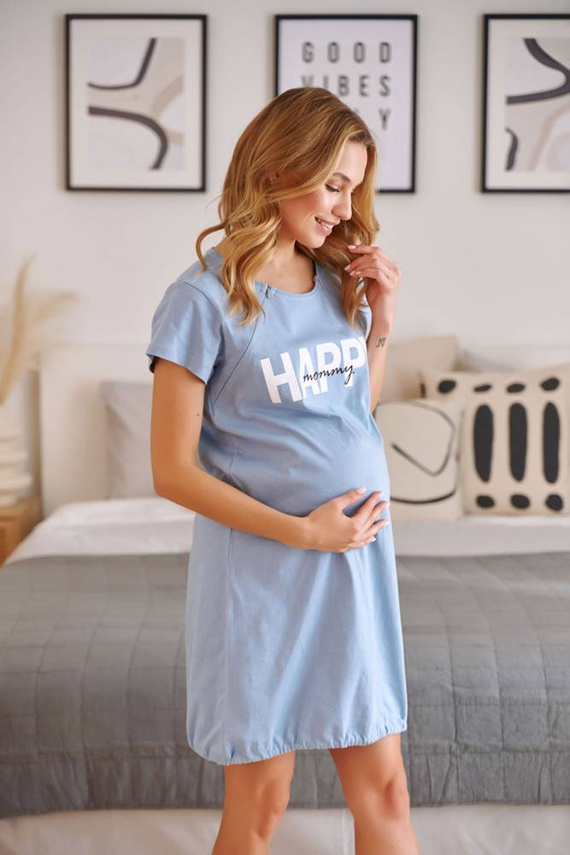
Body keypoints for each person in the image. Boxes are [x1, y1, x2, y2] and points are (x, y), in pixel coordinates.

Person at [145, 86, 419, 855]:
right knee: (263, 802)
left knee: (387, 792)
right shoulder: (201, 299)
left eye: (354, 189)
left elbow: (350, 413)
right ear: (277, 168)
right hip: (263, 576)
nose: (345, 207)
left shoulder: (334, 282)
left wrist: (382, 323)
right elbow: (171, 471)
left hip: (353, 566)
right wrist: (305, 532)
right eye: (333, 184)